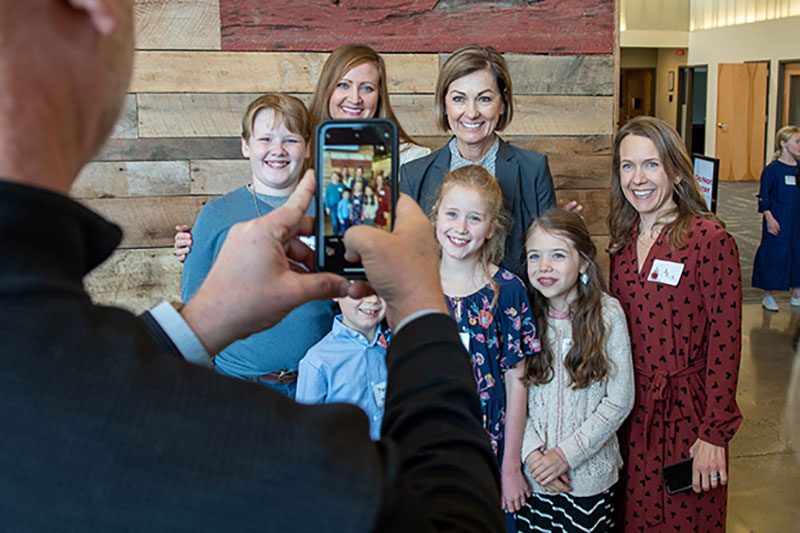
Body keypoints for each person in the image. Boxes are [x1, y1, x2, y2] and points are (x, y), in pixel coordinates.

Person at [0, 2, 505, 529]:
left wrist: (198, 325)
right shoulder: (273, 452)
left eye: (289, 139)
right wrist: (422, 304)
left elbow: (81, 383)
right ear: (95, 9)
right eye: (266, 138)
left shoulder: (60, 378)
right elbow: (455, 518)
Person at [607, 116, 743, 532]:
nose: (638, 178)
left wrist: (714, 433)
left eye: (651, 164)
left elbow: (727, 342)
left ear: (677, 170)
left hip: (689, 415)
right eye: (627, 166)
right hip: (634, 414)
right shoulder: (624, 241)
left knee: (687, 520)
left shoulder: (708, 239)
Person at [181, 93, 336, 396]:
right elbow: (192, 306)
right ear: (245, 146)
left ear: (307, 148)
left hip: (320, 383)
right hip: (240, 384)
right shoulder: (216, 214)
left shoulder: (331, 212)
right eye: (265, 139)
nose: (277, 150)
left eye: (290, 140)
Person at [430, 165, 539, 529]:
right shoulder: (413, 285)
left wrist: (510, 467)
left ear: (491, 227)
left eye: (474, 218)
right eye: (452, 214)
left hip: (488, 453)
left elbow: (517, 382)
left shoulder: (508, 290)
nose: (460, 228)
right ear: (436, 216)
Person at [517, 208, 634, 532]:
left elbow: (619, 399)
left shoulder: (607, 314)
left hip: (588, 483)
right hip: (535, 479)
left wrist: (564, 456)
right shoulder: (525, 314)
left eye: (557, 255)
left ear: (583, 262)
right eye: (534, 256)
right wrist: (533, 456)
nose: (544, 267)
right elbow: (515, 394)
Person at [400, 45, 557, 279]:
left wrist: (565, 234)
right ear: (444, 104)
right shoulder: (413, 176)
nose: (471, 113)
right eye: (459, 99)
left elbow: (547, 257)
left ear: (502, 103)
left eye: (484, 99)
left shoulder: (533, 170)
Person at [307, 43, 431, 165]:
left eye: (367, 88)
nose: (355, 99)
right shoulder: (299, 149)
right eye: (344, 85)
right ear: (326, 89)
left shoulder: (413, 159)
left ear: (380, 96)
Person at [295, 295, 390, 440]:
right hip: (346, 458)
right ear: (337, 293)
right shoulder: (318, 360)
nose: (373, 300)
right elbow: (306, 432)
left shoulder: (399, 347)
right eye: (360, 291)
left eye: (379, 290)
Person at [752, 125, 800, 311]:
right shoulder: (772, 170)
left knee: (797, 253)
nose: (799, 145)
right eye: (796, 141)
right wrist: (769, 218)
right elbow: (764, 196)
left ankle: (796, 292)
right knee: (774, 254)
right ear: (783, 143)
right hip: (778, 218)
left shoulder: (798, 168)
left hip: (796, 220)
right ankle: (768, 295)